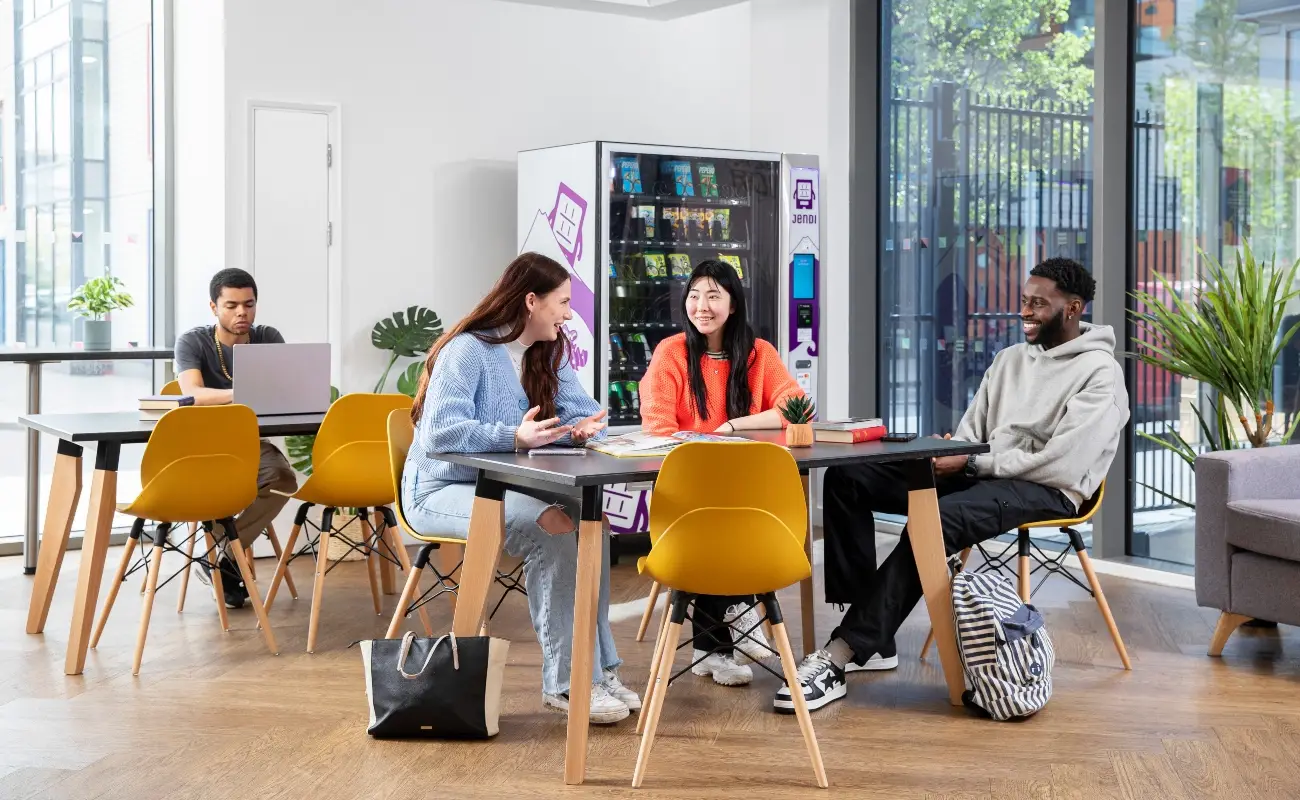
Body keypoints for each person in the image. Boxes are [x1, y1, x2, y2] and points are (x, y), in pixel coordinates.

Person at [775, 257, 1129, 713]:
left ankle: (839, 655)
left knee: (938, 520)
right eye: (1024, 301)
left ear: (1074, 308)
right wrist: (950, 452)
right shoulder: (1009, 360)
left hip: (1045, 486)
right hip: (984, 471)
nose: (1025, 312)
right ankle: (871, 634)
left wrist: (973, 463)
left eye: (1039, 304)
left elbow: (1062, 463)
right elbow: (972, 432)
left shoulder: (1100, 374)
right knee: (848, 478)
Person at [401, 251, 639, 725]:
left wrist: (582, 430)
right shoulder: (467, 350)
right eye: (563, 303)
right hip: (439, 489)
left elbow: (581, 411)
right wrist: (512, 437)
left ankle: (600, 668)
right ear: (531, 301)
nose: (569, 314)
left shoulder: (546, 350)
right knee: (550, 526)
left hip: (501, 486)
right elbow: (440, 433)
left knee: (592, 521)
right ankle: (568, 683)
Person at [639, 259, 804, 687]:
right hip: (686, 492)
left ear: (733, 304)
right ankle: (738, 607)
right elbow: (658, 428)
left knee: (734, 503)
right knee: (715, 507)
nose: (702, 305)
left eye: (714, 295)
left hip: (741, 492)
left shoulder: (758, 354)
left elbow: (798, 406)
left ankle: (713, 646)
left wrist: (734, 426)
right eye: (694, 295)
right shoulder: (671, 352)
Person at [174, 267, 299, 610]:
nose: (242, 312)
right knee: (218, 494)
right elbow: (193, 394)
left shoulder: (267, 337)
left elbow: (285, 390)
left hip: (251, 441)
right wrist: (247, 392)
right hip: (205, 445)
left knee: (284, 480)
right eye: (231, 305)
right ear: (214, 307)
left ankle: (220, 559)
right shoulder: (194, 341)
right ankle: (228, 572)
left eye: (249, 304)